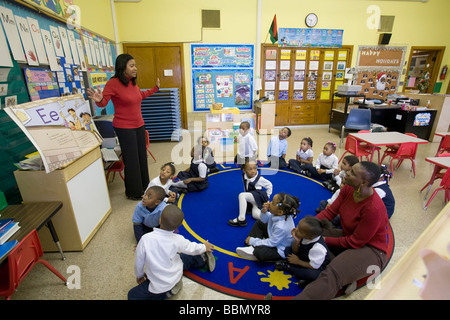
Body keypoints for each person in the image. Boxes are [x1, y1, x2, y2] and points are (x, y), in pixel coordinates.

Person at [294, 161, 389, 300]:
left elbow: (355, 242)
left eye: (352, 173)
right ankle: (349, 274)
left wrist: (324, 239)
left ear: (363, 183)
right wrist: (307, 226)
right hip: (349, 237)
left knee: (333, 273)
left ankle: (343, 273)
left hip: (371, 250)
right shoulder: (349, 189)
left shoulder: (374, 208)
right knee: (308, 236)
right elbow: (330, 212)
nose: (347, 173)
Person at [87, 54, 160, 200]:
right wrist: (99, 100)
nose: (135, 69)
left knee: (141, 157)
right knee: (132, 160)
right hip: (124, 127)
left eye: (135, 65)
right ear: (123, 67)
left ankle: (144, 187)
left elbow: (139, 95)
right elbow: (103, 102)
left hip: (139, 125)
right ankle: (134, 192)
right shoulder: (113, 83)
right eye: (131, 66)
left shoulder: (132, 82)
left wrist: (155, 89)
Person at [128, 205, 215, 300]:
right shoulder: (178, 239)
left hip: (158, 285)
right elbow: (191, 248)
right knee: (184, 256)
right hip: (176, 273)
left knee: (132, 295)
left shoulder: (145, 239)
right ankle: (202, 257)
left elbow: (138, 262)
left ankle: (166, 293)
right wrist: (204, 247)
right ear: (179, 225)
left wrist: (139, 275)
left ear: (160, 220)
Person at [236, 193, 300, 262]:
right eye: (272, 200)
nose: (269, 203)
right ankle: (254, 245)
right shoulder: (279, 214)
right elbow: (265, 219)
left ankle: (255, 249)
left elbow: (272, 243)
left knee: (260, 252)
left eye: (273, 203)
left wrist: (253, 241)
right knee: (259, 223)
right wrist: (264, 211)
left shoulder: (281, 227)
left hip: (280, 248)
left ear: (280, 212)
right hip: (275, 237)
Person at [275, 216, 332, 288]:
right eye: (298, 226)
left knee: (312, 275)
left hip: (316, 266)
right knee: (288, 250)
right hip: (305, 256)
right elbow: (295, 251)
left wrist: (298, 261)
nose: (296, 229)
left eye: (299, 230)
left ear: (310, 237)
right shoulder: (305, 236)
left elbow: (313, 266)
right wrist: (297, 241)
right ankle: (300, 272)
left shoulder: (318, 248)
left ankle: (289, 267)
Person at [228, 159, 273, 227]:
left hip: (258, 196)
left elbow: (269, 185)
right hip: (254, 199)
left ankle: (241, 219)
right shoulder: (244, 176)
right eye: (250, 169)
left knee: (242, 195)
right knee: (255, 215)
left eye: (255, 168)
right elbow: (246, 186)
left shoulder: (259, 179)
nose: (253, 171)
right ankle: (271, 219)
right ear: (244, 170)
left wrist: (267, 197)